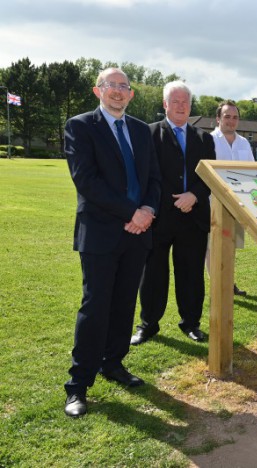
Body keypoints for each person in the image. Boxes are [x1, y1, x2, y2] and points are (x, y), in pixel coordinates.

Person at [63, 67, 161, 417]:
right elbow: (86, 180)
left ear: (131, 94)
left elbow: (153, 177)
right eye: (111, 86)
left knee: (123, 304)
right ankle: (78, 386)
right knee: (95, 307)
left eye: (124, 86)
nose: (118, 91)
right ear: (97, 91)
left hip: (138, 233)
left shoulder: (139, 129)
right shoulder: (80, 126)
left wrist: (147, 209)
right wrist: (131, 213)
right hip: (102, 234)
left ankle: (113, 363)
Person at [131, 81, 216, 345]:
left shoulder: (204, 138)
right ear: (165, 105)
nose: (181, 106)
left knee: (191, 274)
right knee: (153, 274)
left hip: (193, 217)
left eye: (185, 102)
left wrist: (195, 196)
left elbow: (211, 177)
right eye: (175, 101)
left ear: (190, 106)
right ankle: (148, 324)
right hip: (158, 218)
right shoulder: (148, 133)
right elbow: (144, 175)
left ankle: (191, 323)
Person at [208, 100, 253, 296]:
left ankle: (229, 282)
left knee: (231, 246)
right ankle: (218, 284)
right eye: (227, 116)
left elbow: (251, 172)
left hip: (238, 204)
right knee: (213, 247)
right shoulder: (208, 140)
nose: (231, 121)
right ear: (218, 118)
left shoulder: (244, 143)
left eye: (235, 117)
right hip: (213, 204)